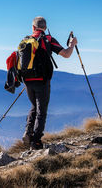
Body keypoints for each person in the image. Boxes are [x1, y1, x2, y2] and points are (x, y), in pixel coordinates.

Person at [22, 16, 77, 150]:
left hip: (27, 80)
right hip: (42, 80)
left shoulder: (25, 40)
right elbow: (66, 54)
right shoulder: (48, 39)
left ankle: (28, 132)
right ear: (45, 28)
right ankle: (36, 141)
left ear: (33, 27)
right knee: (42, 110)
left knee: (34, 106)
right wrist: (72, 44)